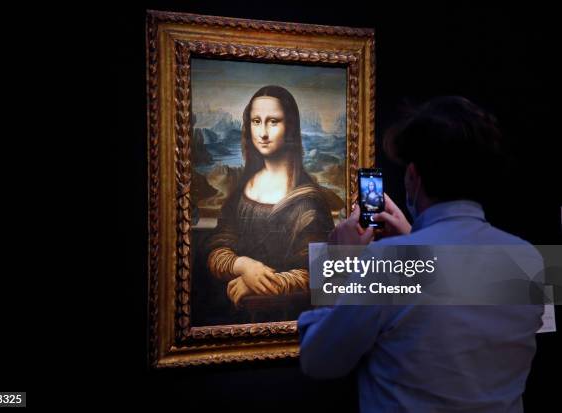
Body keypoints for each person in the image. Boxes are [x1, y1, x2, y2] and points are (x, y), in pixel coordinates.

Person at [299, 96, 544, 412]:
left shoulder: (388, 262)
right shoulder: (530, 260)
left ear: (412, 177)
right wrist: (414, 239)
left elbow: (319, 361)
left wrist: (339, 264)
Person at [206, 85, 334, 308]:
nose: (263, 132)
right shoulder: (243, 189)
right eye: (256, 121)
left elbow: (318, 274)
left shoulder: (309, 201)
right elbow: (216, 249)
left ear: (290, 127)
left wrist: (256, 284)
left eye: (273, 122)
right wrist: (243, 266)